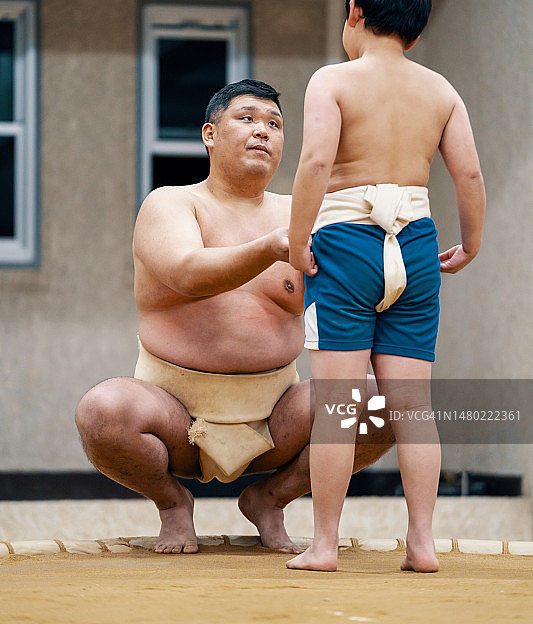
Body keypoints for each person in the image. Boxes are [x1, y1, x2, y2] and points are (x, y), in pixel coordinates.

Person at [75, 78, 394, 556]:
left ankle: (270, 498)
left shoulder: (304, 215)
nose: (262, 131)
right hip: (173, 412)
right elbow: (187, 273)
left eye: (274, 124)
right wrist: (269, 247)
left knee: (384, 404)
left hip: (277, 413)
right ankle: (172, 504)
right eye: (246, 119)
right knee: (101, 412)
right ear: (209, 133)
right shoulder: (172, 203)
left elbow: (360, 290)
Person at [286, 0, 485, 573]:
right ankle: (421, 544)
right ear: (417, 33)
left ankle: (323, 545)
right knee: (413, 407)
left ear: (354, 13)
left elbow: (316, 164)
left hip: (347, 240)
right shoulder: (441, 90)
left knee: (339, 404)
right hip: (419, 244)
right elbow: (470, 175)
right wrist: (471, 243)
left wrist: (296, 246)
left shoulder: (333, 81)